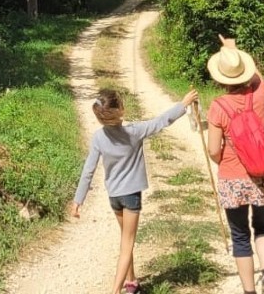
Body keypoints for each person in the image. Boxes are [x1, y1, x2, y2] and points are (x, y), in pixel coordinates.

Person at [71, 86, 200, 294]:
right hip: (131, 196)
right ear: (120, 109)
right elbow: (161, 121)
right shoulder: (134, 131)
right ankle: (115, 290)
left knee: (125, 238)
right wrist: (183, 104)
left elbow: (88, 170)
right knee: (127, 245)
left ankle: (131, 282)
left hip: (114, 197)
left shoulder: (98, 137)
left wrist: (78, 200)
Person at [206, 35, 264, 294]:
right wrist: (234, 50)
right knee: (263, 226)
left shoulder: (218, 107)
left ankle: (249, 290)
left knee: (240, 237)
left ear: (220, 78)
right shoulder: (261, 93)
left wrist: (222, 160)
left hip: (233, 178)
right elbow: (257, 76)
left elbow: (214, 150)